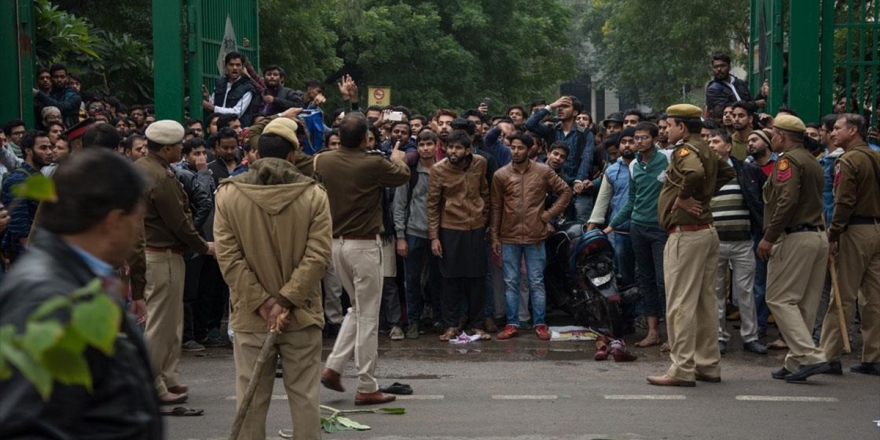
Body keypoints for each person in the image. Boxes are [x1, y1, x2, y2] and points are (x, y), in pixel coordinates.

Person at [0, 149, 162, 439]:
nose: (138, 233)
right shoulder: (49, 298)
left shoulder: (78, 278)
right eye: (136, 220)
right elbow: (26, 424)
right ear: (113, 222)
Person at [214, 117, 331, 440]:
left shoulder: (228, 195)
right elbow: (318, 257)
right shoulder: (314, 196)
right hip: (302, 313)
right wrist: (286, 300)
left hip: (251, 314)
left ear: (255, 154)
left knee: (250, 400)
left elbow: (228, 258)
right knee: (305, 398)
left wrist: (263, 302)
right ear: (293, 155)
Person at [317, 112, 409, 405]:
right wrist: (397, 158)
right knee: (368, 316)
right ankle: (367, 385)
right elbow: (402, 176)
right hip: (364, 245)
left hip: (336, 244)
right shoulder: (373, 163)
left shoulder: (323, 160)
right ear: (364, 139)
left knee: (356, 310)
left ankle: (334, 366)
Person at [647, 104, 734, 387]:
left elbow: (694, 173)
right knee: (705, 304)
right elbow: (727, 173)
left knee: (680, 304)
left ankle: (682, 368)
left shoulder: (685, 151)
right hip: (706, 232)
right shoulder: (706, 148)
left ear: (682, 127)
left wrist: (684, 197)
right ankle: (707, 364)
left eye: (670, 125)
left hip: (687, 234)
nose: (666, 130)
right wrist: (703, 195)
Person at [133, 120, 214, 405]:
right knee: (160, 326)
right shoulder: (160, 176)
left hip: (159, 254)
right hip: (162, 255)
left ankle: (167, 375)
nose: (182, 149)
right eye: (179, 145)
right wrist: (204, 246)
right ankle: (152, 384)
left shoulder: (143, 168)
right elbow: (179, 222)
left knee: (170, 322)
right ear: (167, 148)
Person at [757, 115, 831, 382]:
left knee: (779, 298)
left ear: (781, 136)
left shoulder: (787, 161)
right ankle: (797, 360)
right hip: (816, 235)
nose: (771, 138)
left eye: (773, 134)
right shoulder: (811, 159)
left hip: (796, 236)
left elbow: (786, 201)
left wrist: (769, 237)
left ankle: (810, 356)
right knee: (804, 303)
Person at [491, 133, 571, 340]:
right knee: (511, 282)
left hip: (535, 236)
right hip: (509, 235)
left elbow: (565, 191)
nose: (516, 151)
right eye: (513, 147)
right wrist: (495, 236)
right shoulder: (501, 175)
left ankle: (540, 323)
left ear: (529, 150)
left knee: (536, 281)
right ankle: (512, 323)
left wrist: (548, 215)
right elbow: (496, 207)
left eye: (520, 148)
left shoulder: (543, 171)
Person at [819, 114, 880, 376]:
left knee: (842, 295)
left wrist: (833, 234)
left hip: (854, 231)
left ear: (853, 130)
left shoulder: (847, 161)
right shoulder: (876, 156)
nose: (832, 133)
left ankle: (829, 355)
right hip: (876, 228)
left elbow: (843, 202)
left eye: (837, 128)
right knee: (874, 297)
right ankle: (874, 356)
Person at [605, 122, 670, 348]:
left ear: (655, 139)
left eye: (644, 137)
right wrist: (611, 225)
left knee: (665, 282)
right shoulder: (634, 165)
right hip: (637, 227)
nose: (639, 142)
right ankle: (653, 332)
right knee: (646, 280)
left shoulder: (668, 159)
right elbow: (631, 201)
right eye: (636, 138)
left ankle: (673, 334)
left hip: (661, 229)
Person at [706, 129, 768, 356]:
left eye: (716, 141)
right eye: (708, 141)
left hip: (743, 242)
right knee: (715, 292)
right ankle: (719, 336)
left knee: (746, 292)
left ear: (728, 146)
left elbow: (762, 200)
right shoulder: (704, 172)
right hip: (714, 241)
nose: (711, 145)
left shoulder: (747, 170)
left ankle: (750, 337)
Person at [427, 130, 491, 341]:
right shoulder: (438, 169)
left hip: (476, 227)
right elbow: (433, 204)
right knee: (450, 279)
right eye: (450, 147)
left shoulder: (480, 163)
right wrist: (434, 237)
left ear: (468, 150)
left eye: (457, 148)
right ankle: (451, 325)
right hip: (450, 228)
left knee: (477, 278)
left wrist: (485, 219)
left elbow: (484, 191)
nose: (452, 151)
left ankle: (477, 325)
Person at [393, 130, 442, 339]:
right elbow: (399, 205)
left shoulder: (444, 170)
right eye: (421, 144)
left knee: (438, 279)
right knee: (412, 279)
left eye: (429, 144)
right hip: (413, 231)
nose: (425, 148)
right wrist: (400, 236)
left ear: (436, 145)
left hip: (439, 233)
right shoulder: (409, 172)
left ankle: (439, 318)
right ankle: (413, 321)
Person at [525, 96, 595, 223]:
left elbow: (586, 158)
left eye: (565, 106)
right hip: (552, 188)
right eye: (559, 106)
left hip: (577, 187)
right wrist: (550, 106)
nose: (560, 109)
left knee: (580, 224)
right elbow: (529, 124)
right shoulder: (551, 130)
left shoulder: (585, 134)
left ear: (575, 112)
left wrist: (579, 180)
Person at [1, 130, 53, 263]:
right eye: (43, 148)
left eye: (50, 147)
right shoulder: (19, 180)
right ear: (28, 151)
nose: (49, 152)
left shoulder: (37, 176)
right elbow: (20, 230)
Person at [202, 52, 257, 126]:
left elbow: (237, 112)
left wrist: (212, 107)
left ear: (242, 67)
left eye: (238, 65)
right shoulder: (220, 83)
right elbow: (215, 104)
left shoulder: (247, 88)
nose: (235, 68)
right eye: (231, 65)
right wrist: (208, 98)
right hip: (218, 126)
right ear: (226, 67)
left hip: (237, 128)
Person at [705, 52, 764, 120]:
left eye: (722, 66)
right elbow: (730, 108)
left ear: (729, 67)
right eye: (715, 67)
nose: (719, 69)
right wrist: (755, 104)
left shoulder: (740, 83)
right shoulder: (713, 89)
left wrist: (761, 94)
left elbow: (750, 102)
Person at [33, 64, 82, 128]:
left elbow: (61, 107)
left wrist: (38, 94)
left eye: (62, 77)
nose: (59, 79)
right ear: (51, 78)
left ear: (67, 78)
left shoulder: (74, 96)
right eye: (56, 77)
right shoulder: (49, 95)